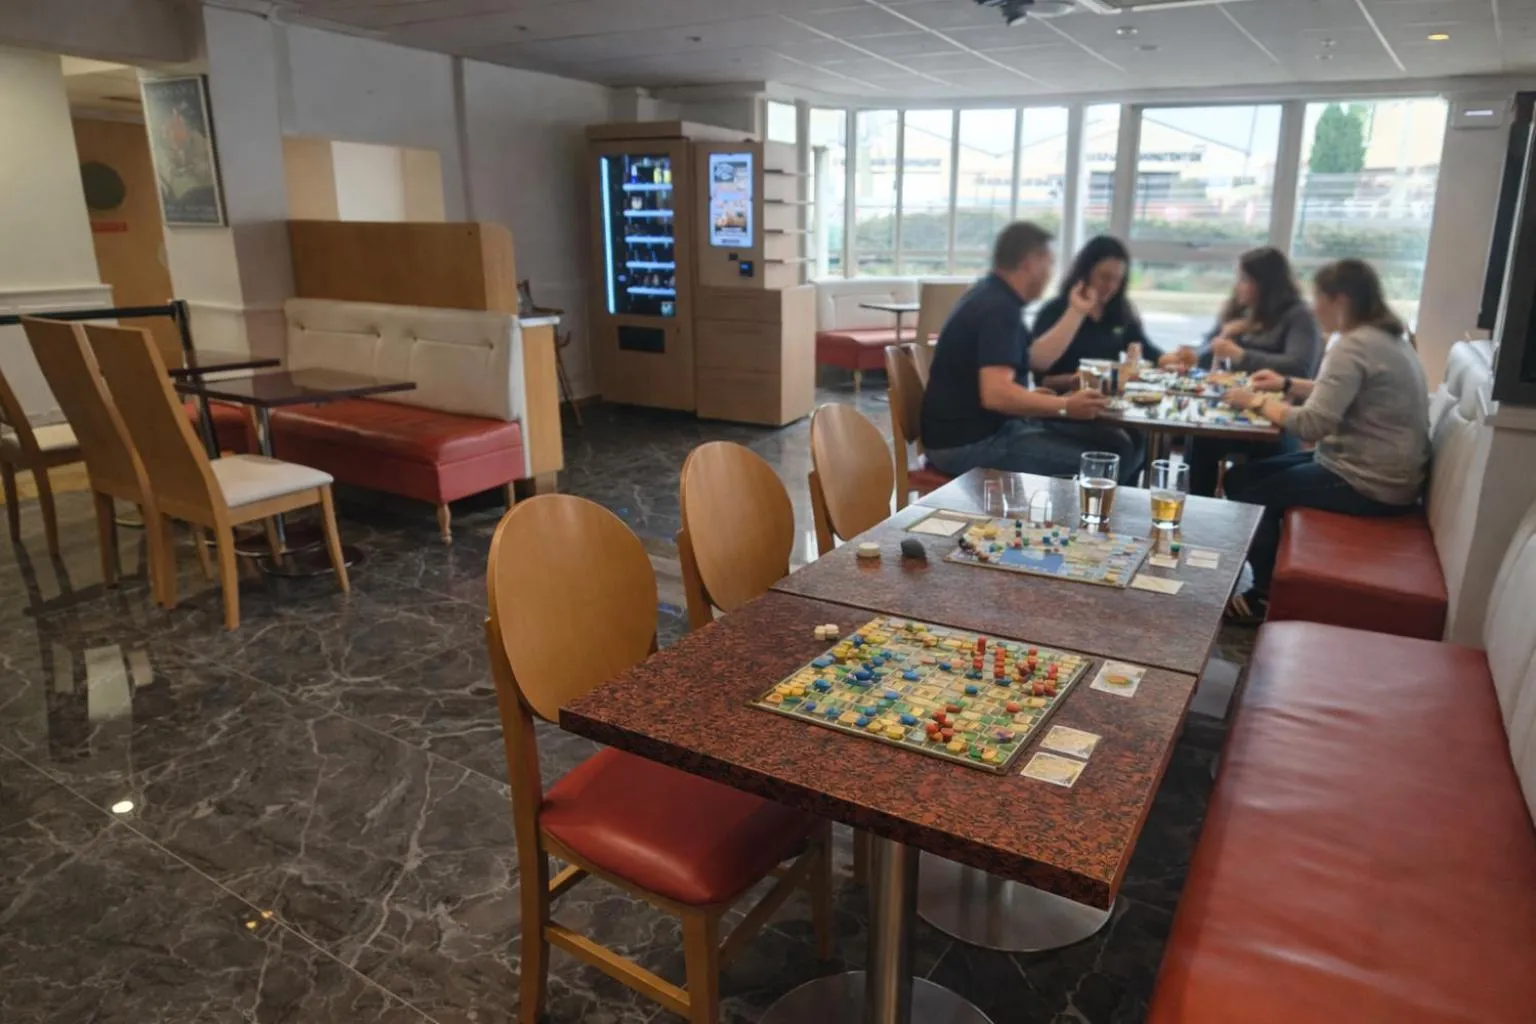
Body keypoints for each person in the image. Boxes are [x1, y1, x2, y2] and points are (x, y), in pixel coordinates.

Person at [1218, 258, 1430, 624]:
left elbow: (1311, 425)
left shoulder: (1352, 345)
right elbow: (1347, 395)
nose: (1314, 306)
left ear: (1340, 300)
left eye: (1319, 296)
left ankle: (1264, 596)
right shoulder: (1386, 337)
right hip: (1387, 473)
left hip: (1369, 482)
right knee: (1242, 478)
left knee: (1248, 489)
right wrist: (1286, 386)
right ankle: (1264, 584)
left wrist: (1255, 400)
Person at [920, 221, 1141, 484]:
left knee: (1117, 442)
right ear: (1030, 262)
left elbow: (1036, 358)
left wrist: (1077, 310)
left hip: (977, 430)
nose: (1050, 273)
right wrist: (1065, 406)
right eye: (1048, 263)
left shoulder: (991, 295)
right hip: (967, 443)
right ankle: (1090, 523)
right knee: (1112, 458)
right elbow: (997, 395)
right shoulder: (998, 309)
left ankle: (1082, 519)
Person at [1162, 247, 1325, 496]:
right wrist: (1203, 350)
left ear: (1265, 284)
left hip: (1274, 418)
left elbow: (1299, 367)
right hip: (1226, 409)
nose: (1238, 286)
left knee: (1258, 461)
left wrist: (1241, 356)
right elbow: (1210, 356)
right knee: (1200, 437)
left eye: (1244, 280)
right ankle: (1193, 509)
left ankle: (1252, 520)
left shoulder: (1298, 316)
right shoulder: (1237, 310)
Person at [1033, 235, 1163, 391]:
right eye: (1104, 277)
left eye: (1118, 280)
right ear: (1085, 273)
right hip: (1060, 406)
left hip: (1103, 402)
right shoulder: (1054, 311)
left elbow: (1146, 348)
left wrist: (1169, 360)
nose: (1111, 286)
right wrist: (1074, 380)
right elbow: (1040, 377)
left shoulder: (1119, 310)